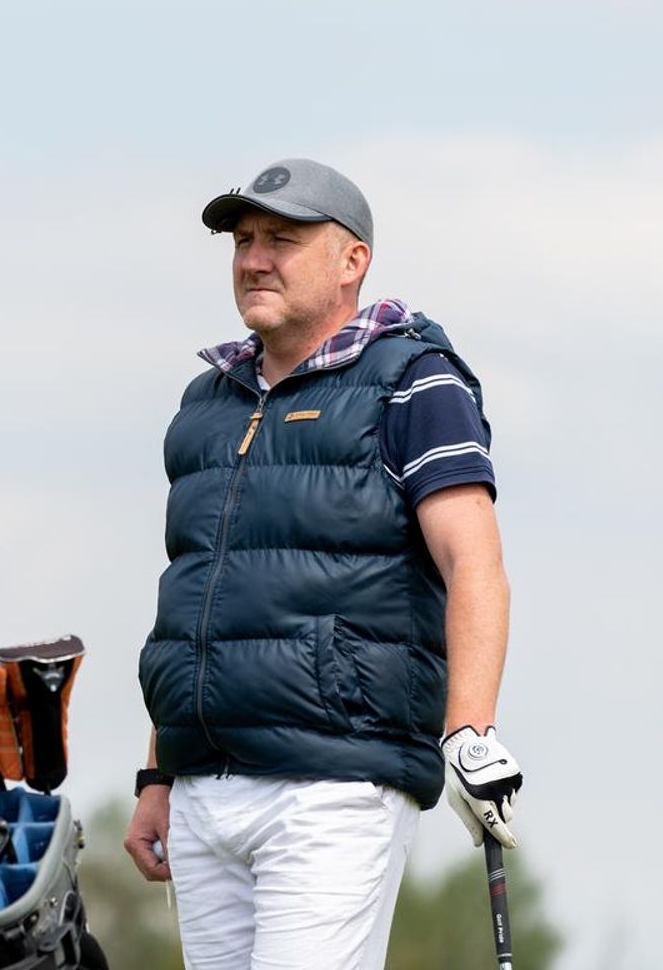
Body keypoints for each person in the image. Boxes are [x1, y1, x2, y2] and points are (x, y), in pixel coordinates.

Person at [124, 158, 523, 970]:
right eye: (243, 240)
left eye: (282, 240)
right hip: (203, 788)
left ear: (352, 260)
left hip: (335, 783)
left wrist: (471, 731)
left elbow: (473, 561)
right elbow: (199, 602)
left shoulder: (412, 381)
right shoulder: (209, 401)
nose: (253, 259)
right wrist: (158, 774)